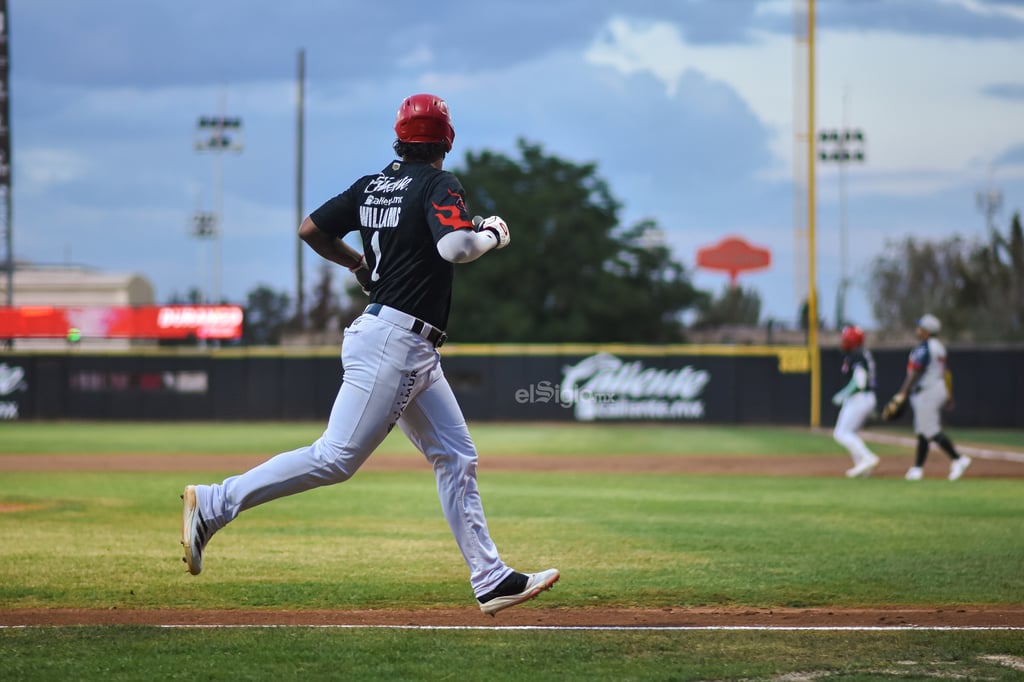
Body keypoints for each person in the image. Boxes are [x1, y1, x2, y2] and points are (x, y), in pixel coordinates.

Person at [180, 93, 559, 616]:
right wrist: (491, 233)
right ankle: (216, 502)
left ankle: (491, 578)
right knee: (335, 457)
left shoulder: (372, 185)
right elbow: (456, 248)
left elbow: (311, 230)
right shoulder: (438, 183)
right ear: (446, 140)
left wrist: (359, 265)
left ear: (400, 137)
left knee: (455, 456)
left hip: (405, 343)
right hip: (397, 343)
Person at [892, 314, 971, 481]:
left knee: (930, 430)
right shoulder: (938, 346)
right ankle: (917, 469)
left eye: (920, 327)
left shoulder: (926, 347)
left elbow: (917, 371)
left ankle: (958, 459)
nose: (917, 330)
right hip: (936, 388)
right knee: (923, 430)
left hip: (928, 390)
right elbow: (946, 372)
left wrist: (903, 392)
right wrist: (949, 394)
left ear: (927, 331)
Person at [831, 325, 880, 478]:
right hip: (866, 397)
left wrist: (843, 394)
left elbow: (859, 382)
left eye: (846, 339)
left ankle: (868, 458)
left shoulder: (856, 355)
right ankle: (862, 466)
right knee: (850, 433)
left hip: (860, 398)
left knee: (841, 433)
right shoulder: (861, 353)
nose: (843, 342)